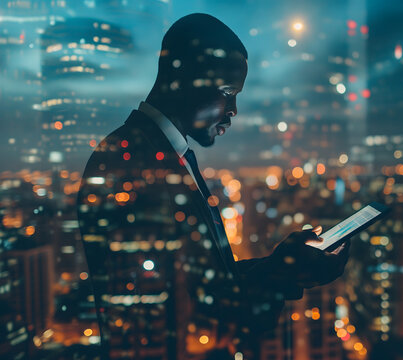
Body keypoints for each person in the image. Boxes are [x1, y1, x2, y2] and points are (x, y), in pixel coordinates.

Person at [77, 13, 349, 359]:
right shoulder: (132, 161)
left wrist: (283, 264)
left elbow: (200, 284)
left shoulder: (159, 153)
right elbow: (186, 311)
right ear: (182, 78)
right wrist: (284, 271)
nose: (233, 109)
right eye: (226, 92)